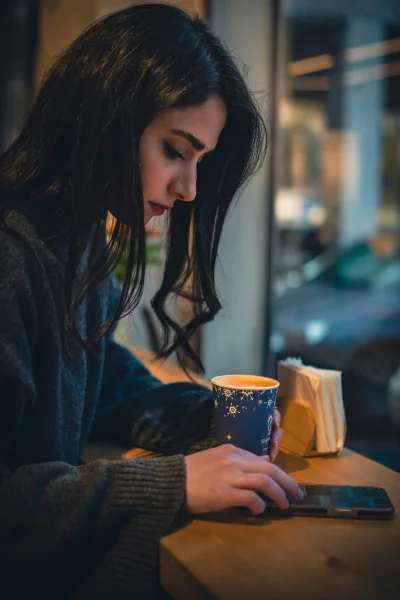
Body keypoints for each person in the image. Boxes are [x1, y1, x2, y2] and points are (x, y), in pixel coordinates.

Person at [0, 4, 303, 599]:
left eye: (199, 162)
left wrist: (206, 420)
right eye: (175, 150)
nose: (188, 189)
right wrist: (175, 483)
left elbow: (106, 381)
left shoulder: (77, 241)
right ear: (106, 119)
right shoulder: (13, 259)